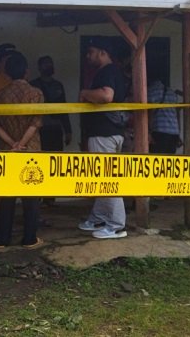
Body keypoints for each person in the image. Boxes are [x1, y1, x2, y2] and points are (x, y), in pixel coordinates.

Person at [0, 52, 44, 249]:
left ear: (7, 72)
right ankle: (29, 239)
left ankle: (2, 239)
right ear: (26, 71)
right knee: (31, 193)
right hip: (30, 149)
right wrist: (22, 143)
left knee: (7, 195)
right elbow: (36, 122)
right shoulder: (36, 93)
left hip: (8, 149)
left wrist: (13, 143)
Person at [77, 37, 128, 239]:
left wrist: (84, 93)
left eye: (91, 52)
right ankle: (98, 217)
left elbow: (106, 96)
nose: (88, 56)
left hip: (104, 133)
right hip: (110, 132)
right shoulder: (114, 71)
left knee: (107, 179)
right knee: (102, 177)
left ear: (103, 53)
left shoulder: (107, 71)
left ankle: (116, 225)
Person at [30, 55, 71, 207]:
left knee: (55, 163)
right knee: (40, 163)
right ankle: (38, 197)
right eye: (46, 65)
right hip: (39, 130)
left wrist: (68, 130)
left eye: (51, 64)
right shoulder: (33, 85)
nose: (49, 67)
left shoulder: (58, 85)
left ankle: (50, 198)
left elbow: (64, 108)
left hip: (55, 128)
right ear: (40, 67)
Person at [147, 74, 181, 154]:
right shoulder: (171, 92)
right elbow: (177, 113)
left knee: (157, 159)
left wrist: (148, 131)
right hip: (174, 132)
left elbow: (150, 112)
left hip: (160, 131)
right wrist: (178, 132)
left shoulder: (152, 90)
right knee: (169, 161)